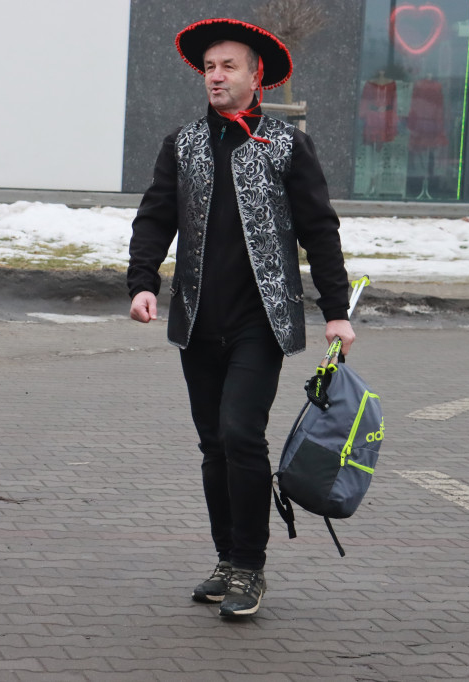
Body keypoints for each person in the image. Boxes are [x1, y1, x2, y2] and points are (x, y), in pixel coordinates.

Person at [126, 19, 354, 617]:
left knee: (239, 435)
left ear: (256, 76)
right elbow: (154, 221)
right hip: (198, 319)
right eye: (209, 67)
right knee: (212, 446)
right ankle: (227, 558)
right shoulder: (184, 144)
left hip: (262, 322)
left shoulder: (284, 145)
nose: (216, 76)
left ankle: (251, 568)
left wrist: (336, 311)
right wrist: (143, 283)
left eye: (229, 66)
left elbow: (319, 230)